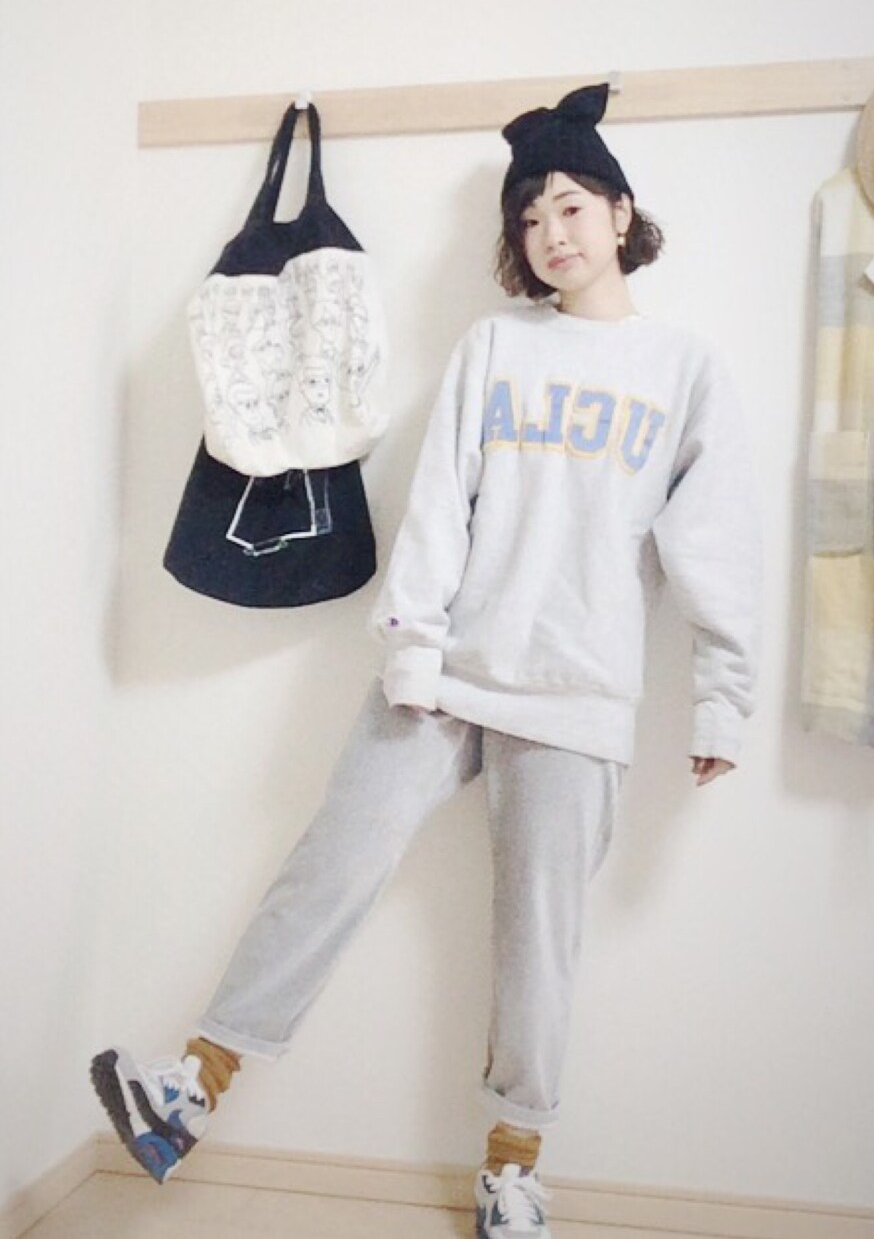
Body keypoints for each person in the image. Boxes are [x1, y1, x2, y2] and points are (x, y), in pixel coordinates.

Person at [90, 83, 761, 1239]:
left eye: (569, 206)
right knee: (331, 860)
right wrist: (411, 648)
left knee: (537, 941)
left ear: (620, 211)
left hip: (579, 689)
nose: (550, 232)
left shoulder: (683, 368)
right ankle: (192, 1086)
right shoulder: (496, 346)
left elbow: (717, 546)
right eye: (528, 217)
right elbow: (441, 505)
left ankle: (512, 1169)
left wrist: (722, 699)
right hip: (446, 668)